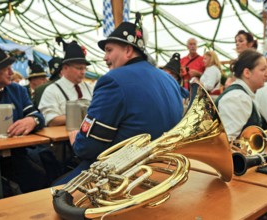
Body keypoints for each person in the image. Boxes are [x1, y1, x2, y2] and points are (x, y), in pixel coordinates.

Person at [54, 14, 184, 185]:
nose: (104, 58)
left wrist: (76, 142)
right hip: (166, 171)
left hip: (125, 175)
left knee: (53, 191)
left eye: (109, 50)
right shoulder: (169, 80)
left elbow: (88, 148)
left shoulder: (113, 80)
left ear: (128, 50)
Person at [0, 39, 49, 196]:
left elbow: (37, 115)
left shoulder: (17, 90)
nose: (12, 73)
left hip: (15, 156)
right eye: (6, 69)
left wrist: (32, 120)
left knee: (41, 177)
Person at [215, 49, 267, 140]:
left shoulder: (241, 94)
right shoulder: (238, 97)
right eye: (263, 69)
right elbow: (227, 142)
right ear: (247, 73)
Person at [38, 41, 94, 126]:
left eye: (84, 68)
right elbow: (50, 120)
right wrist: (81, 116)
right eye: (79, 68)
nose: (83, 72)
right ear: (65, 68)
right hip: (64, 137)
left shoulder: (90, 88)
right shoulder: (51, 91)